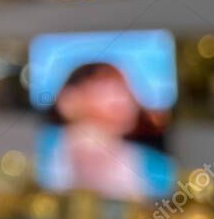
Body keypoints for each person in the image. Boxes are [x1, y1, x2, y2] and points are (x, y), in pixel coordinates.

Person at [41, 62, 173, 201]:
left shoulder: (159, 167)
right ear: (68, 98)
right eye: (107, 85)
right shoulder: (40, 151)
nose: (124, 97)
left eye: (126, 88)